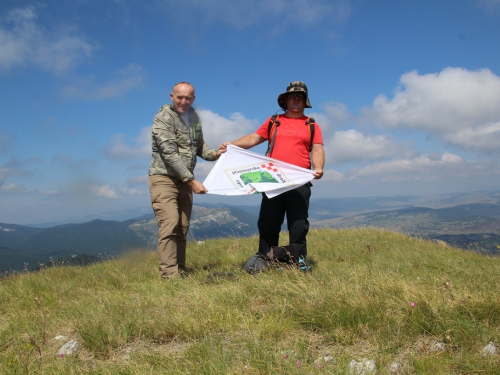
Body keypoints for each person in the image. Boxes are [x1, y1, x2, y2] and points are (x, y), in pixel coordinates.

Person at [221, 81, 325, 268]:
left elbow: (317, 148)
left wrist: (318, 168)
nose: (296, 99)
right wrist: (232, 145)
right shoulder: (273, 121)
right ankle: (265, 257)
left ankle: (298, 260)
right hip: (273, 181)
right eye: (293, 96)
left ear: (304, 101)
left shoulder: (311, 125)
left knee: (299, 224)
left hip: (299, 181)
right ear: (285, 100)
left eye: (300, 96)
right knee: (269, 221)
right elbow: (254, 138)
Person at [149, 82, 224, 279]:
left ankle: (180, 270)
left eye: (188, 98)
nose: (184, 101)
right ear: (171, 96)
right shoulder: (163, 118)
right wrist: (192, 181)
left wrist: (216, 154)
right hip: (164, 178)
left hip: (184, 180)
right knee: (170, 222)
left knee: (182, 226)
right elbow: (170, 155)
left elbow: (199, 146)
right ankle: (168, 275)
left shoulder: (194, 117)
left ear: (193, 99)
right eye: (180, 97)